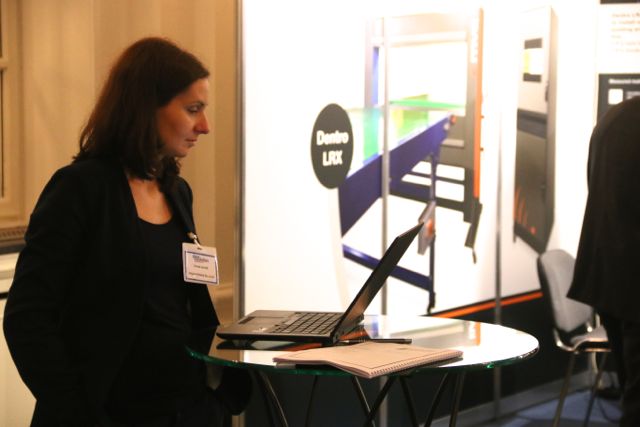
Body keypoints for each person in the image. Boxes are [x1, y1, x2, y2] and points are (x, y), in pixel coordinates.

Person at [3, 37, 250, 427]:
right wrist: (78, 412)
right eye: (192, 110)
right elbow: (27, 319)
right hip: (109, 413)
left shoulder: (177, 191)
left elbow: (183, 304)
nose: (204, 126)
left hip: (183, 408)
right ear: (145, 108)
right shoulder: (79, 189)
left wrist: (218, 401)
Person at [568, 96, 640, 426]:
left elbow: (594, 185)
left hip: (608, 276)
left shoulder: (615, 117)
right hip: (633, 282)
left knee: (630, 387)